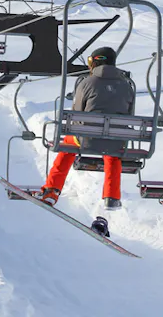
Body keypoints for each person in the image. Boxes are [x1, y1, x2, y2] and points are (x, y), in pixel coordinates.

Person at [36, 46, 135, 222]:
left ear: (96, 62)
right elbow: (129, 115)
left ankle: (52, 190)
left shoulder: (86, 83)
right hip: (116, 141)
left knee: (67, 146)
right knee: (113, 151)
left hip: (86, 139)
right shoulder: (127, 86)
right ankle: (111, 197)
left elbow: (77, 112)